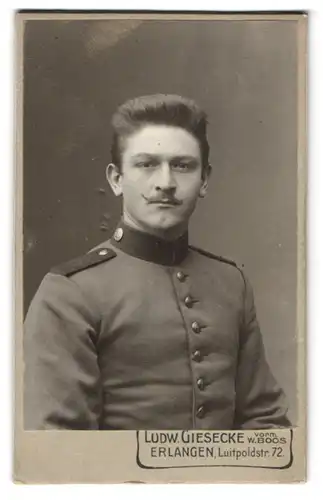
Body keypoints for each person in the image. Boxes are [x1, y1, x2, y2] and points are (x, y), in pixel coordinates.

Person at [24, 94, 290, 430]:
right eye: (146, 164)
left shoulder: (230, 282)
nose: (165, 183)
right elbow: (60, 450)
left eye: (182, 165)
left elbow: (267, 422)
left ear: (204, 180)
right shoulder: (69, 292)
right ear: (116, 179)